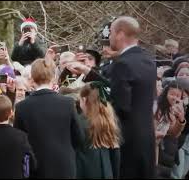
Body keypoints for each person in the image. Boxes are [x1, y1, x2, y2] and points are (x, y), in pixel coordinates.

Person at [66, 16, 157, 178]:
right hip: (146, 137)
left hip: (127, 140)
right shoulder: (147, 60)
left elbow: (119, 104)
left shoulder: (122, 64)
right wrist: (88, 72)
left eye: (112, 33)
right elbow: (119, 89)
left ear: (120, 34)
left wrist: (91, 102)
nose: (110, 38)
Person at [13, 58, 85, 178]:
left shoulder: (22, 107)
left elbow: (19, 143)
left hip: (37, 168)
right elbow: (79, 138)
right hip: (64, 167)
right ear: (53, 76)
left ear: (32, 77)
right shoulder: (67, 103)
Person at [76, 81, 121, 179]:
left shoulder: (80, 123)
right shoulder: (110, 121)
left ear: (84, 100)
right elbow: (116, 155)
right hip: (107, 172)